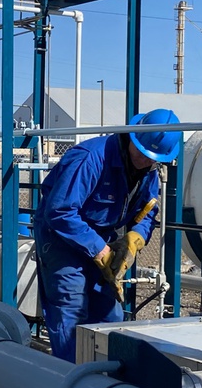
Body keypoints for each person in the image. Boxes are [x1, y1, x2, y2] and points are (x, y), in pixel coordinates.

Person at [33, 108, 181, 362]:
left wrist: (135, 239)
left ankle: (105, 384)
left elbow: (147, 213)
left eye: (153, 158)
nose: (147, 161)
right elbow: (59, 211)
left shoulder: (149, 172)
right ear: (132, 137)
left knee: (110, 318)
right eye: (144, 154)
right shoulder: (90, 158)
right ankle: (70, 382)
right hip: (62, 242)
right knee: (71, 315)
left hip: (101, 240)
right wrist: (99, 249)